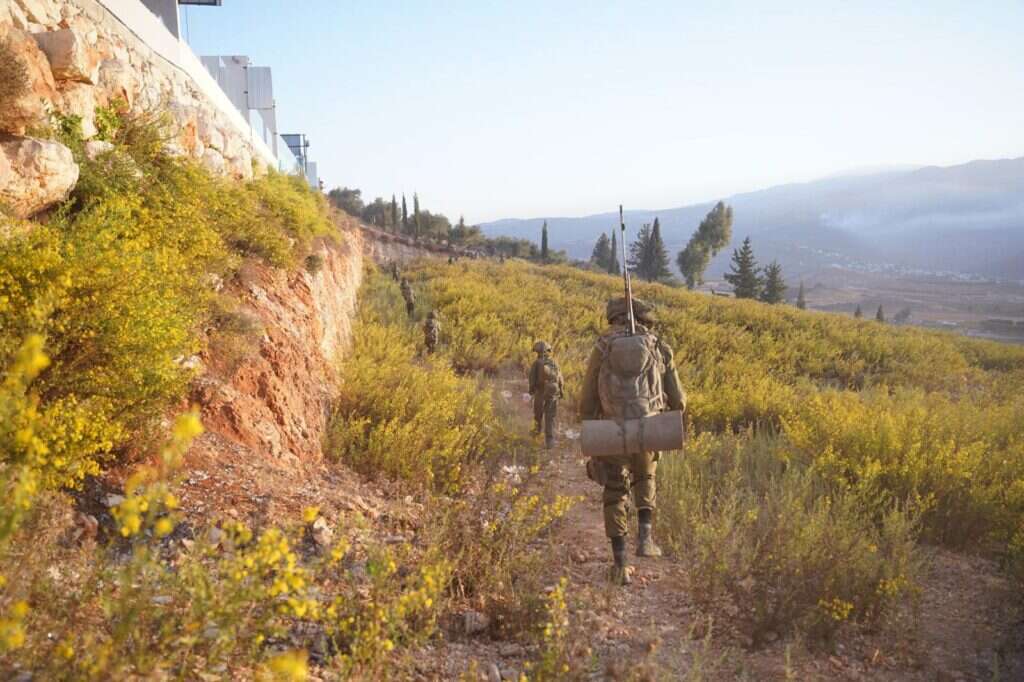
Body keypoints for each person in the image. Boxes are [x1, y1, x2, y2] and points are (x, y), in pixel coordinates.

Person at [579, 297, 686, 586]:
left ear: (612, 317)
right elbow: (679, 399)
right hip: (648, 426)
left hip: (612, 428)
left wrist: (592, 428)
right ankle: (646, 539)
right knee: (646, 475)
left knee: (615, 490)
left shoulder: (602, 347)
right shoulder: (657, 346)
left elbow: (587, 398)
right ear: (644, 318)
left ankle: (620, 564)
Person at [528, 341, 564, 449]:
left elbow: (532, 379)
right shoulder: (554, 362)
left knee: (538, 415)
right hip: (553, 393)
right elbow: (560, 379)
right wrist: (561, 391)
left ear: (537, 351)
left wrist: (531, 391)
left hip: (541, 392)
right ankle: (550, 442)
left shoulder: (536, 363)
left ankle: (536, 435)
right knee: (550, 417)